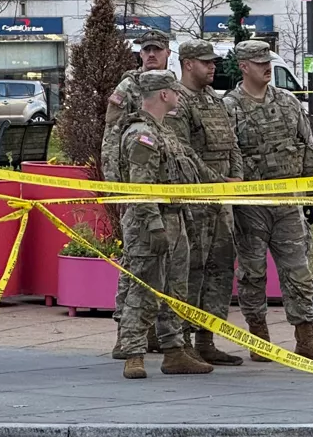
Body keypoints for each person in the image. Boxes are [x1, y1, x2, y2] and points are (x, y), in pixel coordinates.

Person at [224, 40, 313, 364]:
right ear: (244, 66)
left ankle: (306, 338)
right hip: (251, 207)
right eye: (258, 62)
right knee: (252, 274)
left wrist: (312, 192)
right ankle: (259, 338)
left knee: (298, 272)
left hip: (287, 205)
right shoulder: (230, 107)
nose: (266, 66)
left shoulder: (288, 103)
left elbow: (305, 146)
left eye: (267, 60)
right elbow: (227, 158)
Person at [116, 70, 229, 379]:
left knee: (176, 290)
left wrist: (228, 185)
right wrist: (153, 226)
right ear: (164, 94)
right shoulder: (143, 134)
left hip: (176, 219)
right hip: (150, 222)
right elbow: (142, 186)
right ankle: (133, 354)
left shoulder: (165, 132)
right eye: (175, 92)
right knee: (144, 288)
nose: (179, 96)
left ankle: (175, 351)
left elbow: (194, 168)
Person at [165, 39, 245, 366]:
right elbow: (183, 153)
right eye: (206, 62)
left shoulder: (216, 101)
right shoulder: (177, 102)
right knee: (190, 271)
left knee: (221, 269)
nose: (213, 67)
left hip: (222, 200)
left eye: (214, 62)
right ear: (187, 63)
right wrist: (217, 181)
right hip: (195, 201)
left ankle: (207, 338)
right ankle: (181, 343)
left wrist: (236, 178)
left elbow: (232, 143)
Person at [105, 28, 171, 360]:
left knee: (162, 265)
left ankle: (153, 331)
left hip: (165, 190)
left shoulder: (173, 88)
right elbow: (111, 139)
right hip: (134, 186)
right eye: (146, 50)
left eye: (156, 49)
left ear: (167, 52)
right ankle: (126, 333)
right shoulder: (128, 87)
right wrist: (118, 189)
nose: (150, 55)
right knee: (135, 261)